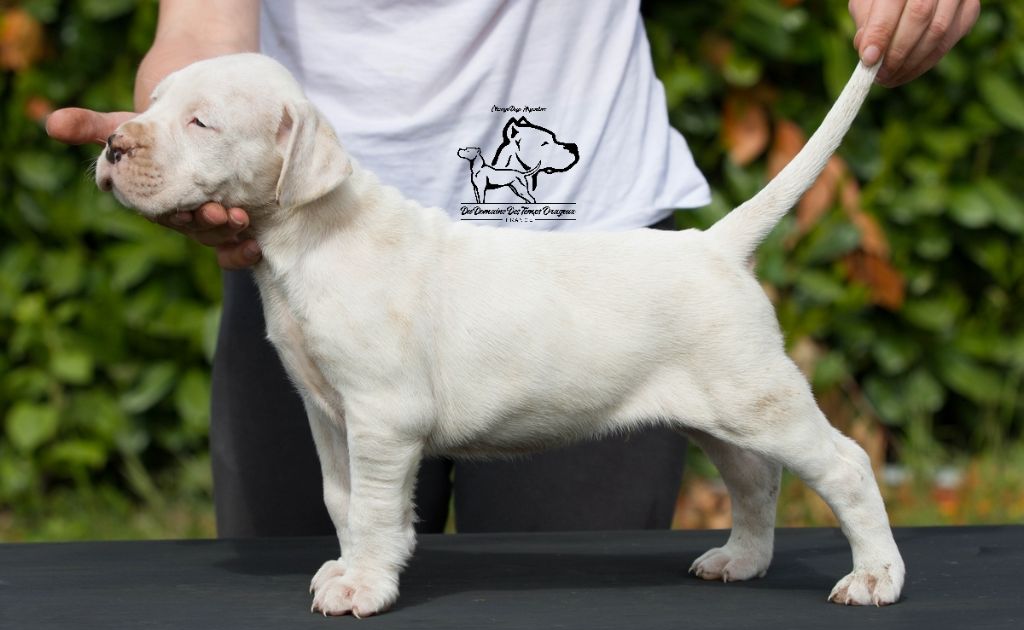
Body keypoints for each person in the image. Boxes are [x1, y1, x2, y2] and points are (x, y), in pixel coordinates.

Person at [47, 0, 978, 538]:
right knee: (294, 626)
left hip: (589, 257)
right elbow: (201, 34)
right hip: (293, 243)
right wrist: (172, 134)